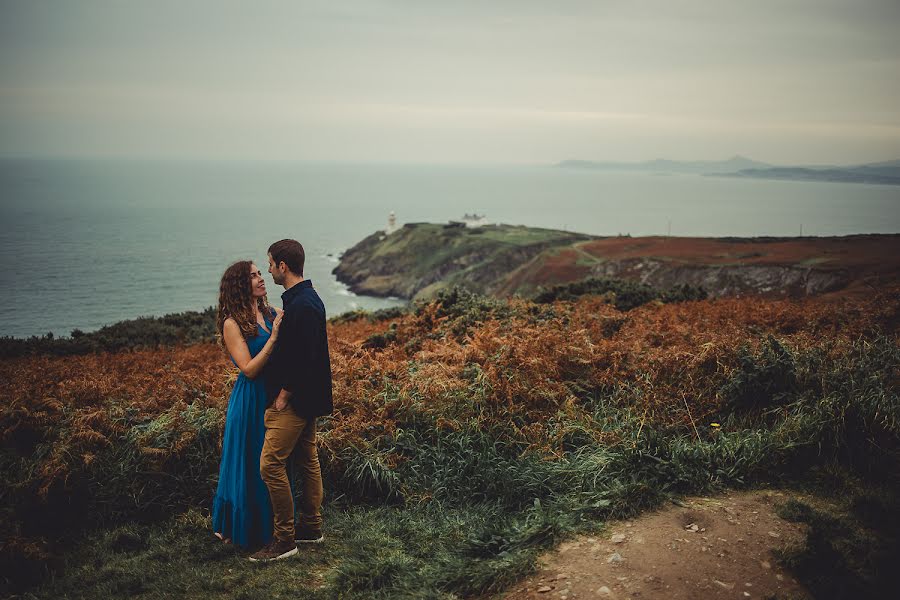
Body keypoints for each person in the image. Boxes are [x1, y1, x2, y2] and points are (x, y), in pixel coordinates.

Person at [249, 239, 334, 563]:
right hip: (306, 398)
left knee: (270, 464)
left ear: (283, 266)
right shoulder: (300, 300)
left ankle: (284, 539)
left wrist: (284, 396)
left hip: (295, 402)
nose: (268, 269)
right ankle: (311, 528)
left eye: (270, 263)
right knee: (306, 459)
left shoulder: (304, 305)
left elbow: (305, 358)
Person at [211, 260, 283, 549]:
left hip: (273, 395)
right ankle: (245, 530)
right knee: (249, 464)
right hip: (250, 399)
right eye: (252, 276)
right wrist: (275, 336)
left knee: (270, 465)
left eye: (259, 273)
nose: (260, 278)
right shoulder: (232, 323)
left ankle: (274, 527)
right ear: (240, 285)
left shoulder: (271, 311)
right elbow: (249, 369)